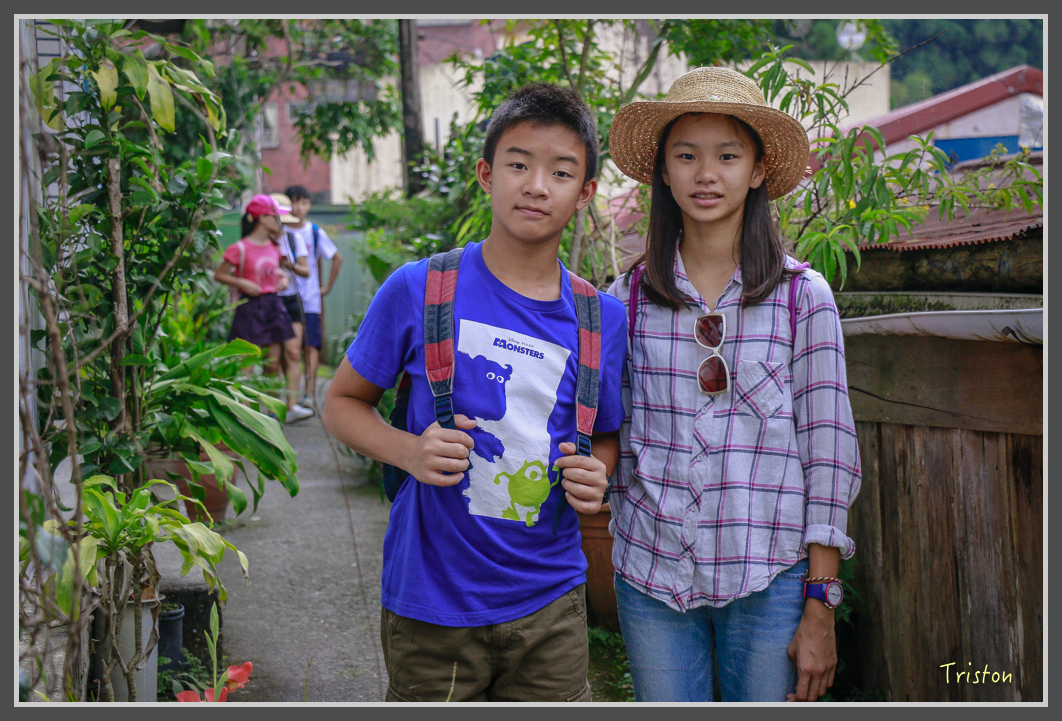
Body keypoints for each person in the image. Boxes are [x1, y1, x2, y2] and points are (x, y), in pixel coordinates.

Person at [322, 83, 627, 702]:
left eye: (561, 171)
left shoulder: (603, 319)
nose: (536, 185)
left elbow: (605, 435)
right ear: (487, 175)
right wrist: (408, 451)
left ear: (585, 193)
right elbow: (340, 403)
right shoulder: (419, 289)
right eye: (518, 164)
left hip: (551, 603)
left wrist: (599, 472)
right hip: (431, 604)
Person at [604, 66, 861, 702]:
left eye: (727, 155)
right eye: (686, 156)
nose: (705, 174)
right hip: (651, 575)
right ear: (662, 171)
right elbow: (615, 437)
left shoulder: (804, 299)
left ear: (758, 170)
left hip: (769, 578)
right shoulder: (626, 301)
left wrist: (820, 605)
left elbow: (828, 454)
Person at [214, 194, 313, 423]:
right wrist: (242, 283)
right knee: (246, 362)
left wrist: (284, 279)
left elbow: (276, 270)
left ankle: (272, 413)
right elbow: (219, 274)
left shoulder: (273, 246)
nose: (278, 219)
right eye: (273, 215)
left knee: (273, 362)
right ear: (261, 218)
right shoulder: (239, 247)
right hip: (250, 307)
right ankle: (245, 414)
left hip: (273, 305)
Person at [284, 185, 342, 409]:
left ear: (309, 205)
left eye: (303, 202)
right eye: (294, 202)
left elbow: (337, 257)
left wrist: (325, 287)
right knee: (289, 350)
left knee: (311, 346)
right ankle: (290, 395)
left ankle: (309, 393)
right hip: (284, 297)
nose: (298, 207)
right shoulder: (280, 231)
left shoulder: (315, 232)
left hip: (310, 300)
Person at [271, 192, 315, 421]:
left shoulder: (291, 238)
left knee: (293, 352)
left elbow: (305, 270)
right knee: (271, 357)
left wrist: (288, 265)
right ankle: (272, 407)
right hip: (268, 301)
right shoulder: (259, 241)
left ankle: (291, 405)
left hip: (290, 300)